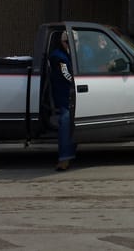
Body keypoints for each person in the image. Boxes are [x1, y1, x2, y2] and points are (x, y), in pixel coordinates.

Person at [48, 31, 76, 171]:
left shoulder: (74, 55)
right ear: (61, 42)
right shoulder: (59, 57)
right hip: (64, 98)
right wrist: (78, 81)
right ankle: (64, 158)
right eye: (67, 42)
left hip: (73, 96)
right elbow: (66, 75)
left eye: (74, 42)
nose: (70, 45)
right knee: (66, 120)